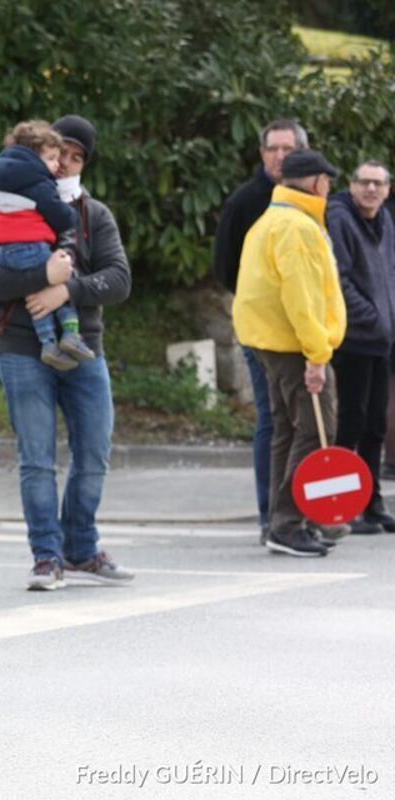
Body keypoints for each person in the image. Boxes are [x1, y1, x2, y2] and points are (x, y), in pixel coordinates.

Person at [0, 114, 133, 591]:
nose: (66, 165)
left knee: (95, 452)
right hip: (19, 347)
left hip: (86, 347)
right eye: (61, 155)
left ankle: (81, 547)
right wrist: (42, 279)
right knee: (37, 458)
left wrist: (68, 291)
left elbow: (119, 280)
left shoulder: (93, 214)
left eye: (77, 158)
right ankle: (47, 556)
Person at [232, 149, 346, 557]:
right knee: (316, 433)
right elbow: (303, 297)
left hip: (270, 344)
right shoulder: (298, 227)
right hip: (297, 346)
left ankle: (283, 522)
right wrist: (317, 355)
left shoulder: (269, 220)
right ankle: (288, 522)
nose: (329, 188)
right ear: (316, 183)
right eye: (327, 181)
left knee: (285, 432)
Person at [213, 119, 308, 543]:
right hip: (260, 334)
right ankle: (270, 515)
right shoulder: (245, 201)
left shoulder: (311, 200)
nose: (280, 156)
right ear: (261, 153)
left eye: (288, 149)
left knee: (304, 423)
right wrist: (260, 306)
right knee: (273, 420)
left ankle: (302, 513)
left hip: (304, 332)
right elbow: (226, 268)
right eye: (272, 149)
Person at [0, 120, 93, 370]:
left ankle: (48, 343)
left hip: (4, 251)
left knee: (35, 294)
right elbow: (61, 216)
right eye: (55, 157)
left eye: (75, 158)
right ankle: (71, 333)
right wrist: (70, 217)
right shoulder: (39, 182)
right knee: (60, 277)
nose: (59, 164)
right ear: (35, 156)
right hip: (31, 246)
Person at [327, 161, 395, 534]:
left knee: (375, 427)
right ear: (351, 186)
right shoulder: (339, 218)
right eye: (364, 182)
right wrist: (371, 315)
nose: (371, 189)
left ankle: (372, 503)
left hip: (382, 340)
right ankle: (343, 504)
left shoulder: (385, 220)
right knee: (351, 423)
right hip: (353, 338)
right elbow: (340, 278)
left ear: (387, 189)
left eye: (378, 183)